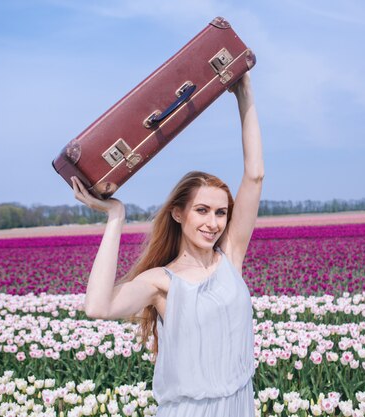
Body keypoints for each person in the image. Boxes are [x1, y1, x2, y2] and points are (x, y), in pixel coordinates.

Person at [71, 72, 263, 417]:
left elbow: (255, 175)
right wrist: (115, 217)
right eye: (201, 211)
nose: (213, 223)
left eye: (221, 212)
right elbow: (97, 307)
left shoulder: (230, 258)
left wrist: (244, 94)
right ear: (178, 214)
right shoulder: (161, 282)